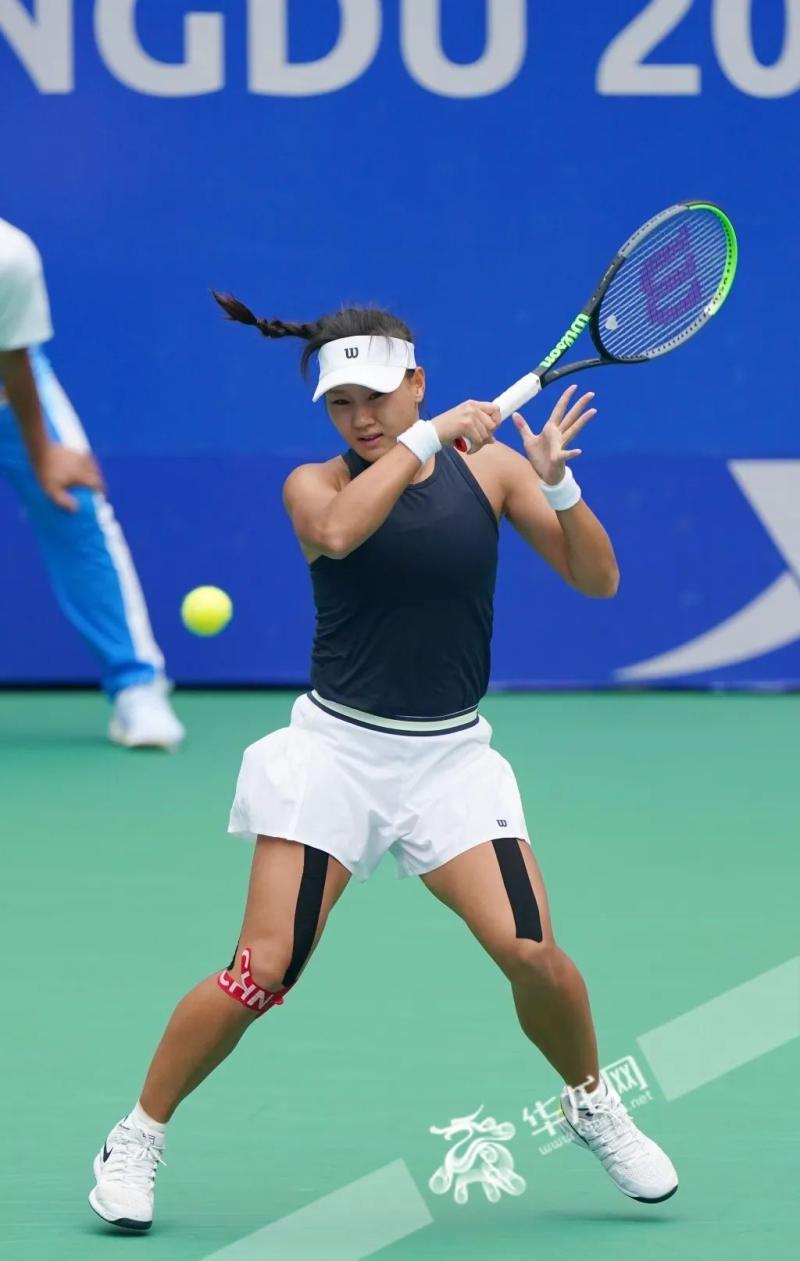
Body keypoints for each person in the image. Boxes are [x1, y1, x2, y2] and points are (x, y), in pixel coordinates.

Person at [88, 296, 677, 1233]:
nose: (360, 417)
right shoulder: (313, 485)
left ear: (416, 381)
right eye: (340, 403)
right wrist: (428, 440)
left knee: (535, 955)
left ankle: (590, 1101)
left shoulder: (492, 473)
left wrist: (556, 486)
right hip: (335, 757)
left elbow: (597, 579)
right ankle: (137, 1134)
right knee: (262, 972)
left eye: (378, 396)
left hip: (450, 762)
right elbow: (338, 535)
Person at [0, 217, 184, 748]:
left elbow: (13, 362)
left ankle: (136, 685)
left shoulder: (10, 256)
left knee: (73, 502)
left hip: (9, 395)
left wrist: (43, 454)